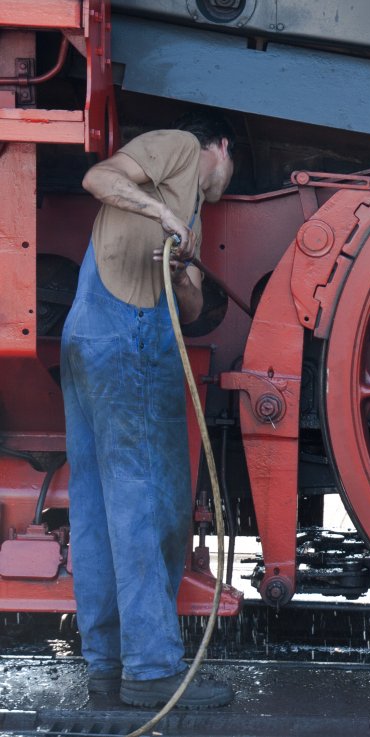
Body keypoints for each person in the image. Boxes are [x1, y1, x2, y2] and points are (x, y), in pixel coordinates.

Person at [61, 111, 236, 709]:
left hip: (92, 336)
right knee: (148, 504)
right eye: (230, 172)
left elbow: (185, 308)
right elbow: (100, 178)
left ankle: (107, 669)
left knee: (97, 508)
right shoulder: (182, 147)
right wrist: (162, 214)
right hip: (128, 339)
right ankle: (152, 669)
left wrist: (186, 267)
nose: (223, 188)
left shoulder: (192, 209)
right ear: (223, 147)